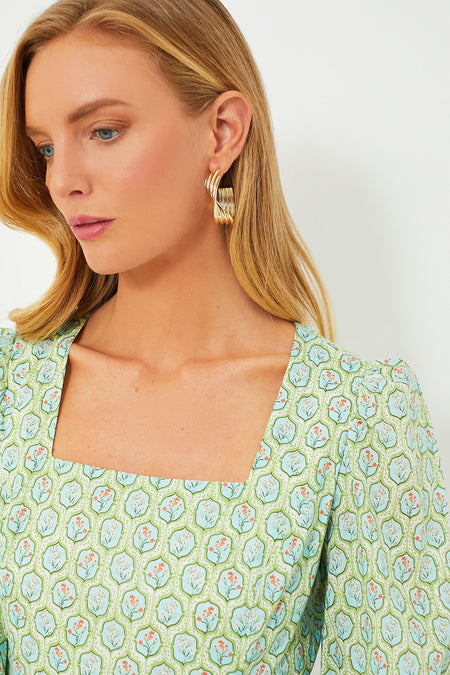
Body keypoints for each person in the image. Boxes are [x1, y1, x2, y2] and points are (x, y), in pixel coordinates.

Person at [0, 0, 448, 673]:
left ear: (222, 133)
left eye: (104, 131)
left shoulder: (355, 417)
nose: (62, 180)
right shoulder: (11, 388)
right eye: (45, 147)